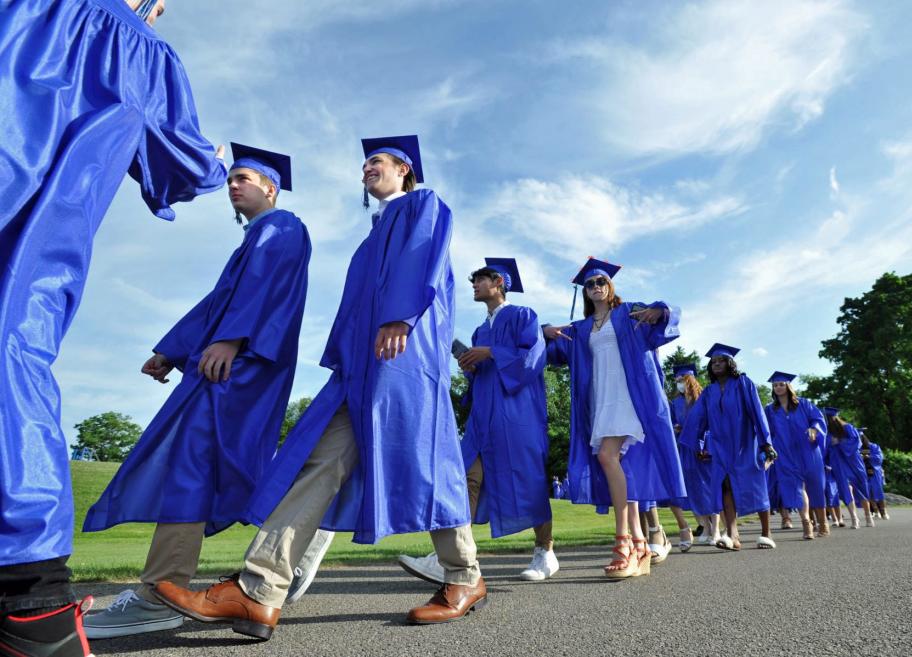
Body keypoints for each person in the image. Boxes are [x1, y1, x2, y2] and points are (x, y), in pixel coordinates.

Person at [152, 135, 485, 637]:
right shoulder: (370, 240)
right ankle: (259, 588)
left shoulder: (422, 205)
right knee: (318, 462)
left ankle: (464, 576)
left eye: (377, 161)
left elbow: (423, 259)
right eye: (365, 163)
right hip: (359, 369)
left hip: (404, 360)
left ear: (404, 170)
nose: (367, 168)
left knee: (426, 460)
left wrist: (399, 317)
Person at [0, 1, 225, 654]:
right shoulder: (141, 51)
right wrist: (211, 164)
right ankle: (29, 594)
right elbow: (180, 165)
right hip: (26, 266)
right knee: (12, 350)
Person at [80, 145, 312, 638]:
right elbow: (216, 303)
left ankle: (161, 590)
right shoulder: (253, 240)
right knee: (195, 466)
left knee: (194, 465)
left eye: (244, 177)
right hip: (221, 365)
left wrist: (231, 338)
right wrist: (173, 350)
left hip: (240, 369)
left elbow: (262, 292)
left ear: (270, 188)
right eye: (230, 179)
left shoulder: (283, 227)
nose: (233, 184)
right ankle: (166, 587)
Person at [399, 259, 558, 583]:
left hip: (517, 415)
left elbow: (532, 358)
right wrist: (472, 366)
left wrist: (492, 353)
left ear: (498, 282)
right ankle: (452, 558)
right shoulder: (480, 330)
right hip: (482, 416)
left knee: (530, 480)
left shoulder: (523, 315)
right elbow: (485, 364)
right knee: (464, 479)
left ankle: (545, 551)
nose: (474, 285)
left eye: (480, 280)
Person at [543, 258, 684, 578]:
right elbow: (549, 354)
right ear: (585, 293)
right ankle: (640, 547)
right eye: (590, 284)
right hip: (601, 402)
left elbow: (668, 315)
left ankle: (622, 542)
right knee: (624, 470)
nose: (596, 287)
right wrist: (545, 331)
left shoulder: (629, 313)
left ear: (610, 287)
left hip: (630, 399)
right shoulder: (579, 330)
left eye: (601, 282)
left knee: (608, 457)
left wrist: (660, 311)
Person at [678, 344, 778, 551]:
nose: (716, 365)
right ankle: (733, 535)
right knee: (725, 485)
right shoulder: (709, 392)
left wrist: (766, 442)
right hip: (720, 446)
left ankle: (766, 532)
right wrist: (698, 444)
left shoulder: (743, 383)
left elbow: (757, 412)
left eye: (721, 361)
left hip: (744, 443)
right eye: (713, 362)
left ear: (730, 363)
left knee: (755, 484)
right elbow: (698, 418)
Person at [764, 372, 830, 540]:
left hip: (808, 450)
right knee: (795, 488)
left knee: (815, 486)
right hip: (785, 452)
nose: (778, 387)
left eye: (781, 384)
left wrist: (814, 429)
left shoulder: (804, 404)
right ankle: (806, 523)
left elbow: (817, 419)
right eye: (775, 385)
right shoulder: (770, 410)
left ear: (788, 386)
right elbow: (766, 431)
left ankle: (822, 523)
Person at [670, 364, 720, 547]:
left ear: (690, 379)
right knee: (692, 490)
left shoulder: (703, 398)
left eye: (681, 380)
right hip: (684, 448)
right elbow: (673, 421)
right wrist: (677, 427)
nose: (679, 384)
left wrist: (703, 442)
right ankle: (704, 526)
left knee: (708, 488)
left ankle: (715, 529)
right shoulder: (675, 402)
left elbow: (711, 423)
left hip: (702, 448)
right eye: (676, 381)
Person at [823, 408, 873, 529]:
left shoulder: (848, 428)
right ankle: (854, 518)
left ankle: (868, 516)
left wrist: (840, 441)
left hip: (853, 461)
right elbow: (825, 449)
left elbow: (856, 443)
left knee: (861, 488)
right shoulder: (826, 432)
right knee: (845, 490)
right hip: (838, 463)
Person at [860, 433, 890, 520]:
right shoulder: (857, 448)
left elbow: (879, 458)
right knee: (868, 493)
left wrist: (868, 456)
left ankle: (884, 512)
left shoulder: (873, 446)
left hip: (874, 472)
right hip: (864, 472)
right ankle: (876, 511)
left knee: (878, 492)